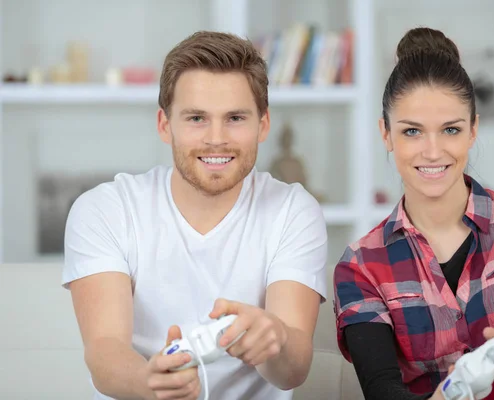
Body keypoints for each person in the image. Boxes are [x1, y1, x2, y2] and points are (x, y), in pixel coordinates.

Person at [333, 27, 494, 400]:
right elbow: (382, 388)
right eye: (412, 131)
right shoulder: (361, 266)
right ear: (386, 135)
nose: (432, 151)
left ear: (472, 130)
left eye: (450, 130)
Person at [62, 31, 328, 400]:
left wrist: (275, 339)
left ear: (263, 125)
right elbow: (104, 350)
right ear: (164, 124)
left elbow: (293, 370)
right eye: (196, 118)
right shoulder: (105, 210)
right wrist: (152, 383)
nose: (216, 138)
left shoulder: (293, 211)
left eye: (235, 117)